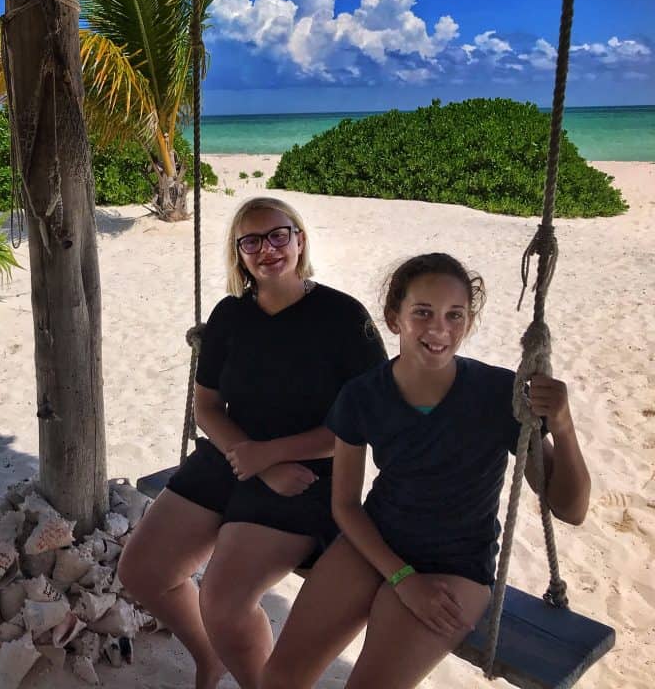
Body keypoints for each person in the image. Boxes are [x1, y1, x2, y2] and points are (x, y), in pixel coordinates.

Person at [260, 252, 592, 689]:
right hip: (375, 543)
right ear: (394, 318)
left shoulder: (496, 395)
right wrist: (400, 577)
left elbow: (570, 508)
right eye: (423, 312)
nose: (439, 329)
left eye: (455, 315)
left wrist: (564, 427)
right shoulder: (363, 395)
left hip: (455, 564)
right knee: (279, 677)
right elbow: (344, 505)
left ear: (469, 322)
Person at [118, 197, 386, 689]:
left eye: (278, 235)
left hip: (311, 471)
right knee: (142, 570)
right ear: (239, 254)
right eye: (252, 242)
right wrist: (258, 460)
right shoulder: (229, 316)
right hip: (236, 454)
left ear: (300, 240)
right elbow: (207, 409)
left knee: (222, 601)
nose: (267, 250)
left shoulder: (344, 319)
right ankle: (210, 657)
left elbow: (363, 428)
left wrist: (276, 456)